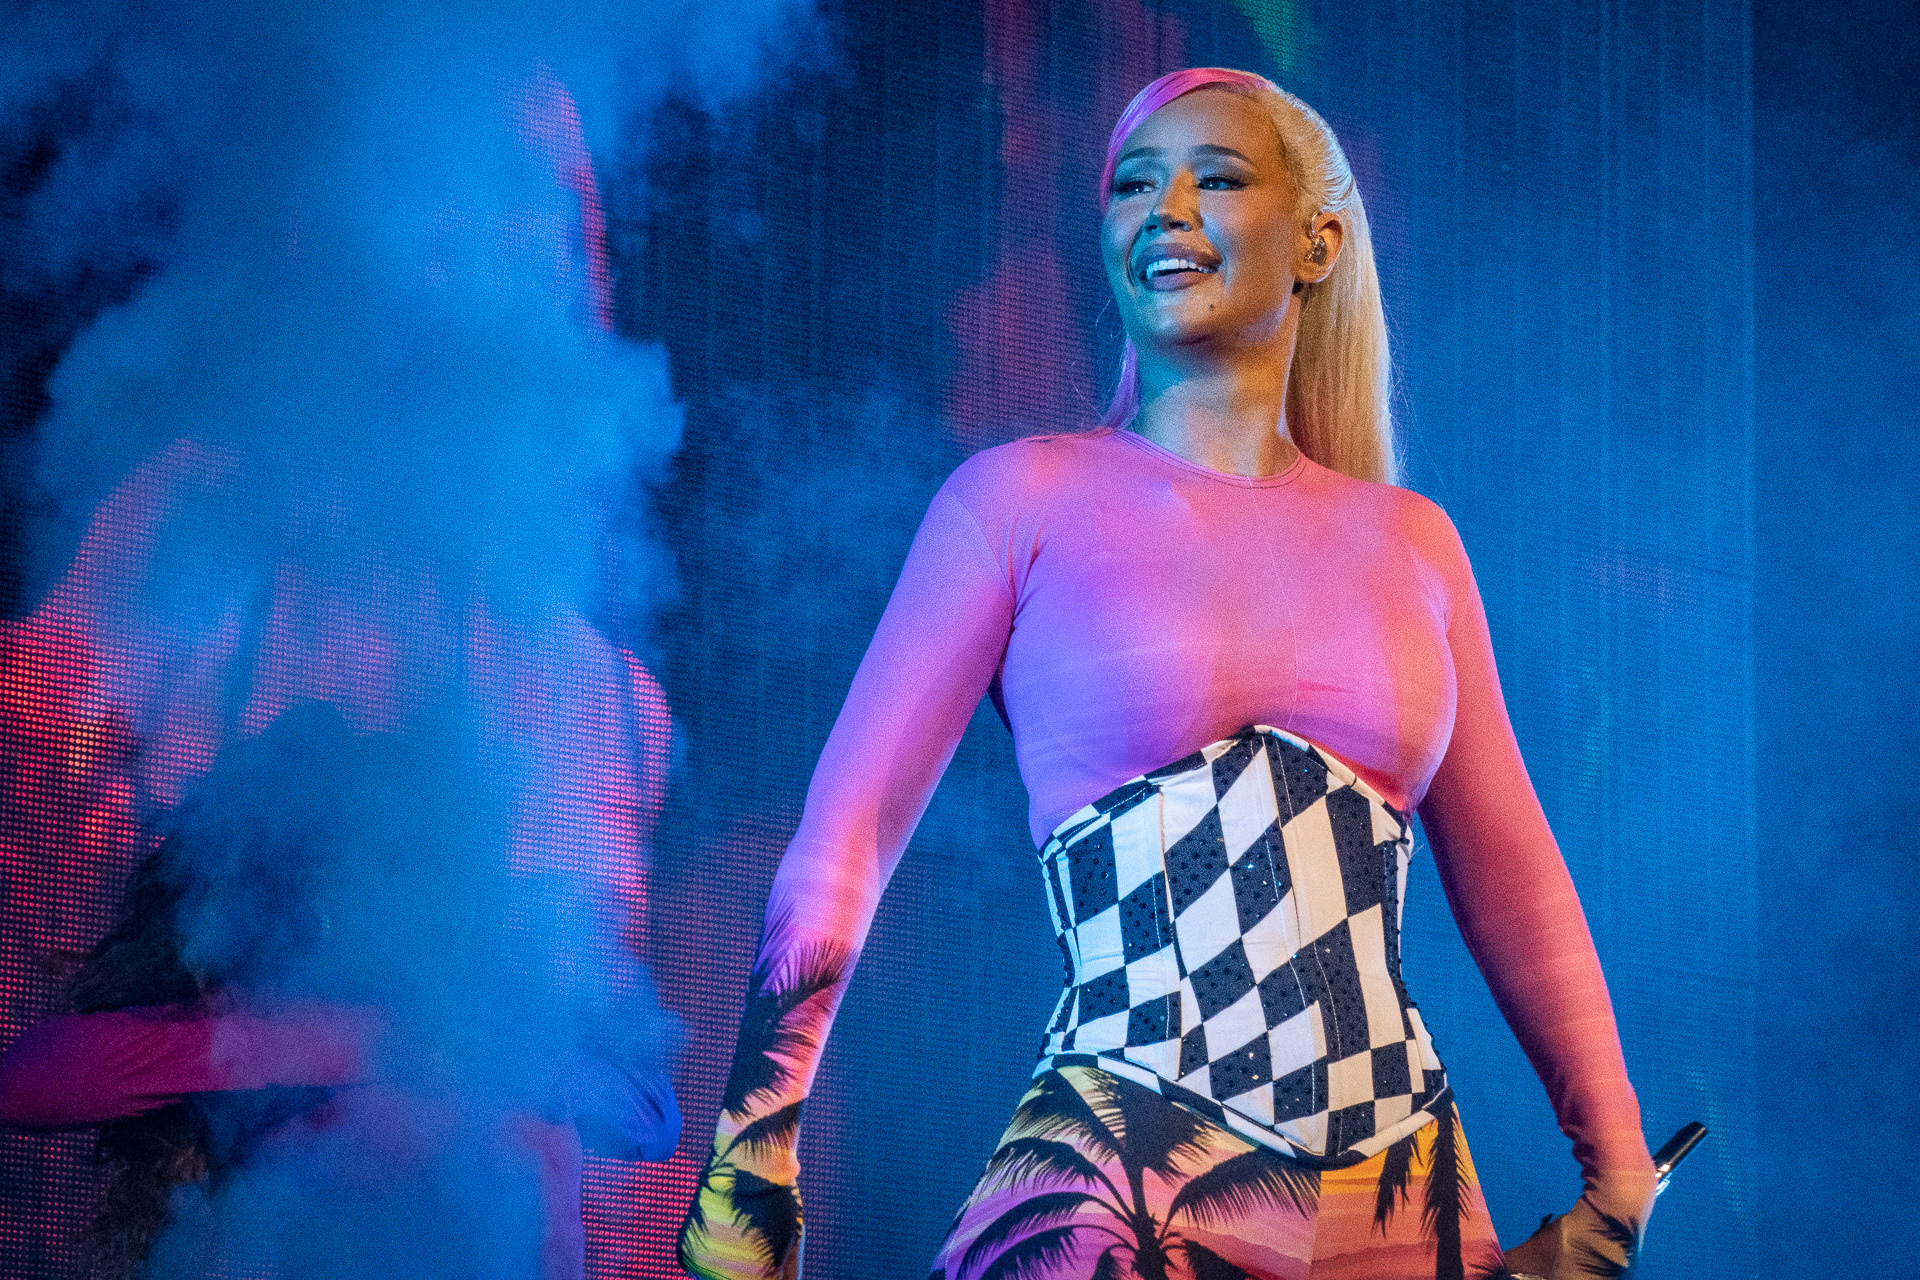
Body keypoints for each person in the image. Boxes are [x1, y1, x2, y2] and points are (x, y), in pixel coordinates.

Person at [677, 67, 1656, 1280]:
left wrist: (1617, 1175)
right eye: (1134, 185)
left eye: (1217, 178)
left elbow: (1516, 877)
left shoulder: (1415, 544)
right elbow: (849, 836)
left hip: (1398, 1193)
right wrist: (752, 1152)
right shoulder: (1018, 500)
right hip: (1120, 1178)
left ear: (1317, 240)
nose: (1166, 210)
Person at [0, 705, 680, 1280]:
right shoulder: (269, 1005)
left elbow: (651, 1118)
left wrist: (467, 1045)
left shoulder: (486, 985)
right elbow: (25, 1082)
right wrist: (327, 1040)